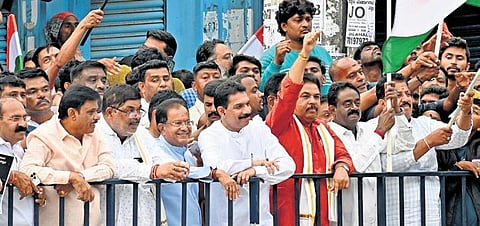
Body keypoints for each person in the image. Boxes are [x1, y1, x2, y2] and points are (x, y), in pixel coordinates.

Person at [265, 31, 353, 226]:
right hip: (286, 213)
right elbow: (289, 91)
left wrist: (341, 168)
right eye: (305, 96)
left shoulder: (323, 128)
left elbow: (342, 154)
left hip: (321, 215)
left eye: (315, 96)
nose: (313, 101)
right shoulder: (280, 122)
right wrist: (304, 53)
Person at [374, 73, 473, 225]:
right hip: (394, 215)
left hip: (430, 214)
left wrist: (465, 112)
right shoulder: (373, 128)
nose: (406, 99)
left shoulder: (425, 124)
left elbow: (459, 138)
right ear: (382, 103)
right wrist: (427, 143)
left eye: (408, 94)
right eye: (398, 95)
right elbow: (385, 165)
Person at [199, 80, 295, 226]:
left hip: (262, 220)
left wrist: (255, 170)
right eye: (239, 106)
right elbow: (216, 168)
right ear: (221, 111)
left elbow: (288, 165)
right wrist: (254, 162)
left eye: (247, 104)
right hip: (226, 220)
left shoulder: (259, 129)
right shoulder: (209, 136)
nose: (246, 111)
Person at [19, 85, 114, 226]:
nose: (97, 117)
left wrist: (79, 178)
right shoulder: (43, 136)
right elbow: (28, 170)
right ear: (72, 113)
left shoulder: (94, 134)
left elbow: (109, 167)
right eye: (91, 112)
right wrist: (67, 177)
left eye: (97, 111)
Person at [98, 84, 187, 225]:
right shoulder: (95, 133)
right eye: (130, 111)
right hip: (108, 214)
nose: (137, 117)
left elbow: (160, 158)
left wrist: (174, 168)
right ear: (110, 112)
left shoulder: (141, 134)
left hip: (144, 214)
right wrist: (153, 171)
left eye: (139, 110)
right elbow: (110, 165)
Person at [327, 82, 405, 225]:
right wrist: (379, 132)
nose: (354, 108)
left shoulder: (367, 128)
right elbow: (354, 165)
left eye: (357, 102)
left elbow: (404, 144)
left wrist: (397, 110)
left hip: (373, 217)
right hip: (343, 219)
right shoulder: (326, 134)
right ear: (332, 110)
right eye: (347, 104)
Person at [156, 98, 238, 225]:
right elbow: (178, 170)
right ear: (162, 128)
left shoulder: (188, 154)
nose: (185, 128)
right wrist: (215, 173)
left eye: (187, 122)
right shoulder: (155, 151)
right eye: (177, 123)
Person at [260, 0, 333, 95]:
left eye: (308, 19)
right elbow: (261, 90)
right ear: (284, 26)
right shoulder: (271, 56)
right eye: (298, 20)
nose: (305, 25)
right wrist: (276, 63)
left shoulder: (323, 53)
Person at [0, 98, 45, 226]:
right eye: (15, 119)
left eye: (25, 118)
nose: (23, 124)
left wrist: (40, 193)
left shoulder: (21, 149)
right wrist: (11, 177)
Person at [437, 93, 480, 226]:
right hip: (448, 218)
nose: (467, 113)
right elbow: (438, 186)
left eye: (474, 112)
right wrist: (457, 168)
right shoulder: (442, 146)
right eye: (465, 110)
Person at [184, 61, 222, 130]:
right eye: (205, 77)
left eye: (216, 77)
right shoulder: (188, 116)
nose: (212, 81)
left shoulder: (232, 111)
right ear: (194, 86)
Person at [16, 68, 55, 134]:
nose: (41, 95)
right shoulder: (17, 129)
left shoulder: (66, 118)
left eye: (45, 90)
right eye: (33, 92)